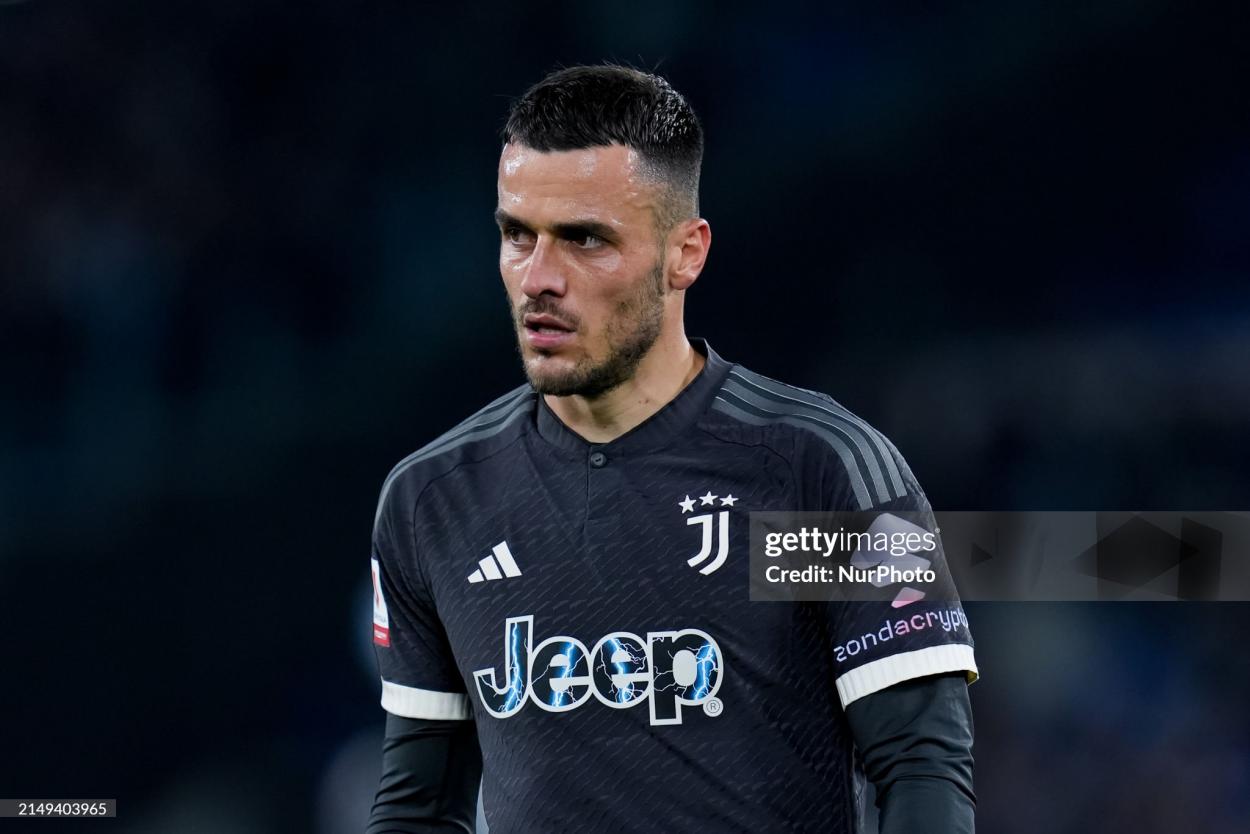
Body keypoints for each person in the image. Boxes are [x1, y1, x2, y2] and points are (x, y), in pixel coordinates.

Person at [366, 64, 977, 834]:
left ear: (685, 253)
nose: (538, 278)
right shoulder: (437, 500)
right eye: (517, 235)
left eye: (584, 239)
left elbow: (920, 770)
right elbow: (420, 807)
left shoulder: (808, 475)